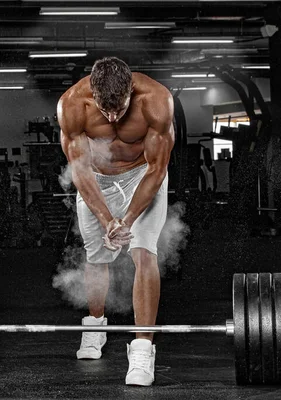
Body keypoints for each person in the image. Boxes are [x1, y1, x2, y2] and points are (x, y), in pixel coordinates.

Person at [57, 57, 174, 386]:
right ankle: (95, 328)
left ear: (131, 93)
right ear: (92, 93)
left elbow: (156, 170)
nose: (111, 117)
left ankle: (141, 350)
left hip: (142, 176)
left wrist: (128, 220)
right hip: (97, 180)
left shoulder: (156, 100)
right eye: (104, 110)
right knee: (97, 255)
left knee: (143, 249)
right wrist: (108, 220)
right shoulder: (71, 105)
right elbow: (79, 170)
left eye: (119, 109)